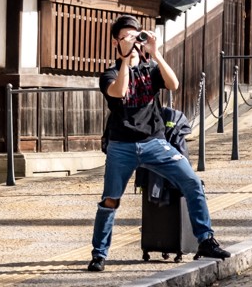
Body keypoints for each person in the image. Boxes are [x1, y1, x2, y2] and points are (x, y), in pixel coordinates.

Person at [87, 14, 230, 273]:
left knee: (192, 182)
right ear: (115, 42)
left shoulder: (150, 69)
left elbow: (173, 84)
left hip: (154, 142)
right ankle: (99, 254)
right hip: (121, 146)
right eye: (125, 37)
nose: (132, 40)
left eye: (135, 35)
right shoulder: (109, 74)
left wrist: (156, 52)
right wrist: (125, 61)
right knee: (110, 200)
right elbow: (118, 92)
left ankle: (206, 239)